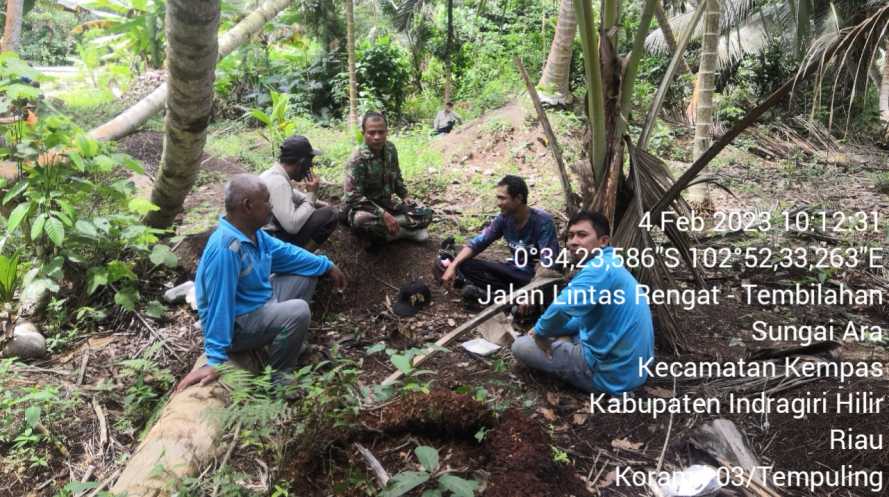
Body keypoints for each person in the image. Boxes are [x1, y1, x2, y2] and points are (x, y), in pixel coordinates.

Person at [175, 174, 347, 392]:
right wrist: (216, 360)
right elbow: (219, 303)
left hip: (261, 303)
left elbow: (286, 254)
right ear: (247, 206)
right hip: (240, 325)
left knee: (306, 273)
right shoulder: (226, 249)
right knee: (298, 311)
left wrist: (325, 265)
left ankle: (291, 342)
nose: (271, 205)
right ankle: (279, 378)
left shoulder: (254, 234)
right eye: (266, 200)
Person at [510, 211, 654, 395]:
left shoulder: (597, 270)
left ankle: (571, 356)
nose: (572, 242)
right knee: (562, 328)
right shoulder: (612, 264)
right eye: (570, 236)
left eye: (582, 235)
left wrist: (540, 333)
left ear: (603, 241)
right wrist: (552, 329)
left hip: (610, 377)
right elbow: (583, 315)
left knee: (520, 346)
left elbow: (561, 308)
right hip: (633, 371)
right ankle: (564, 343)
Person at [439, 175, 560, 309]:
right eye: (498, 198)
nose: (498, 203)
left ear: (519, 198)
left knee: (546, 289)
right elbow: (479, 242)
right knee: (465, 265)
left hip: (533, 277)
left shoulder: (543, 222)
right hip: (512, 270)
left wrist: (532, 291)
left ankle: (501, 299)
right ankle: (506, 298)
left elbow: (548, 264)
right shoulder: (503, 219)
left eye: (503, 198)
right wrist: (453, 265)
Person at [343, 111, 432, 245]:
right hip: (366, 209)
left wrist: (405, 196)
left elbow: (396, 176)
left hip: (387, 204)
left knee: (425, 212)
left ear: (387, 132)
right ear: (363, 133)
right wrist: (383, 214)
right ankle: (405, 231)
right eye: (371, 133)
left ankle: (391, 232)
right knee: (361, 221)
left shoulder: (390, 149)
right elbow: (352, 197)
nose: (377, 137)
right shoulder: (357, 160)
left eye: (381, 132)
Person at [260, 135, 338, 251]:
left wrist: (323, 203)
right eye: (310, 162)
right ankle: (301, 261)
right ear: (301, 163)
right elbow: (292, 226)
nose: (311, 167)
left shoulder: (275, 175)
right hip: (271, 242)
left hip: (266, 238)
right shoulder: (278, 182)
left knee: (324, 209)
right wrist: (312, 194)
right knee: (330, 214)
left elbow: (298, 197)